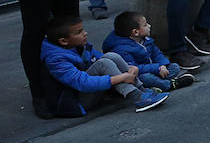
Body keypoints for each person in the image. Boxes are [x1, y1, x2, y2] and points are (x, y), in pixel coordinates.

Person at [42, 16, 170, 114]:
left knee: (111, 56)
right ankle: (138, 97)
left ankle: (142, 91)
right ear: (63, 41)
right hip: (74, 102)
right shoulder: (56, 59)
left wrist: (130, 67)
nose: (85, 33)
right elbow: (83, 83)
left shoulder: (78, 45)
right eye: (79, 32)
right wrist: (122, 78)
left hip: (88, 90)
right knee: (104, 63)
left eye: (83, 30)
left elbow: (101, 57)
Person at [102, 11, 196, 87]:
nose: (149, 26)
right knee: (145, 78)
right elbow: (133, 68)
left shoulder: (145, 39)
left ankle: (157, 84)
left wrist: (163, 64)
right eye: (145, 25)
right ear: (135, 32)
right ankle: (169, 84)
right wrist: (156, 68)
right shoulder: (121, 49)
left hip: (155, 69)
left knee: (174, 67)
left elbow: (156, 53)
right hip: (141, 73)